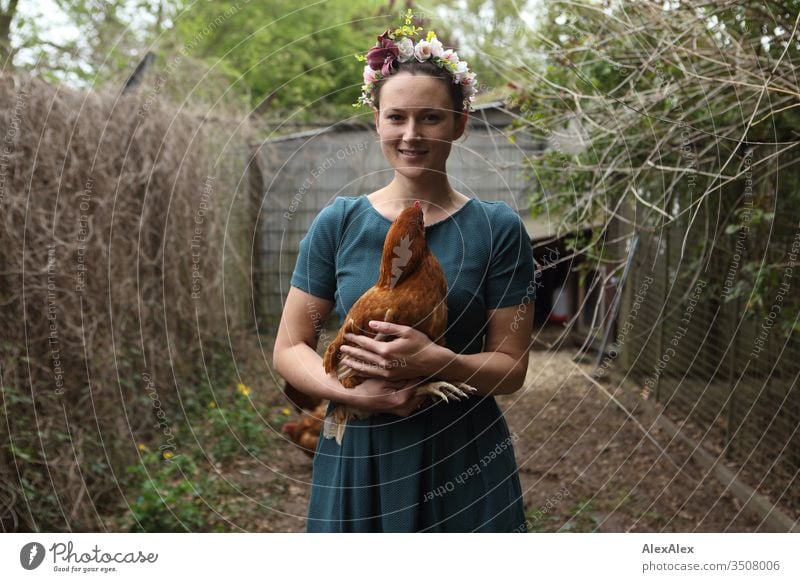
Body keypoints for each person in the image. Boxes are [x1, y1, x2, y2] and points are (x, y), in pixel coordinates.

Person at [273, 14, 535, 532]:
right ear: (377, 122)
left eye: (431, 118)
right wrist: (352, 395)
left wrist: (436, 360)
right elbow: (288, 349)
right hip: (362, 452)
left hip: (463, 455)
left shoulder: (497, 229)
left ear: (460, 123)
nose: (411, 134)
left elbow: (513, 368)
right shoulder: (340, 223)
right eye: (396, 117)